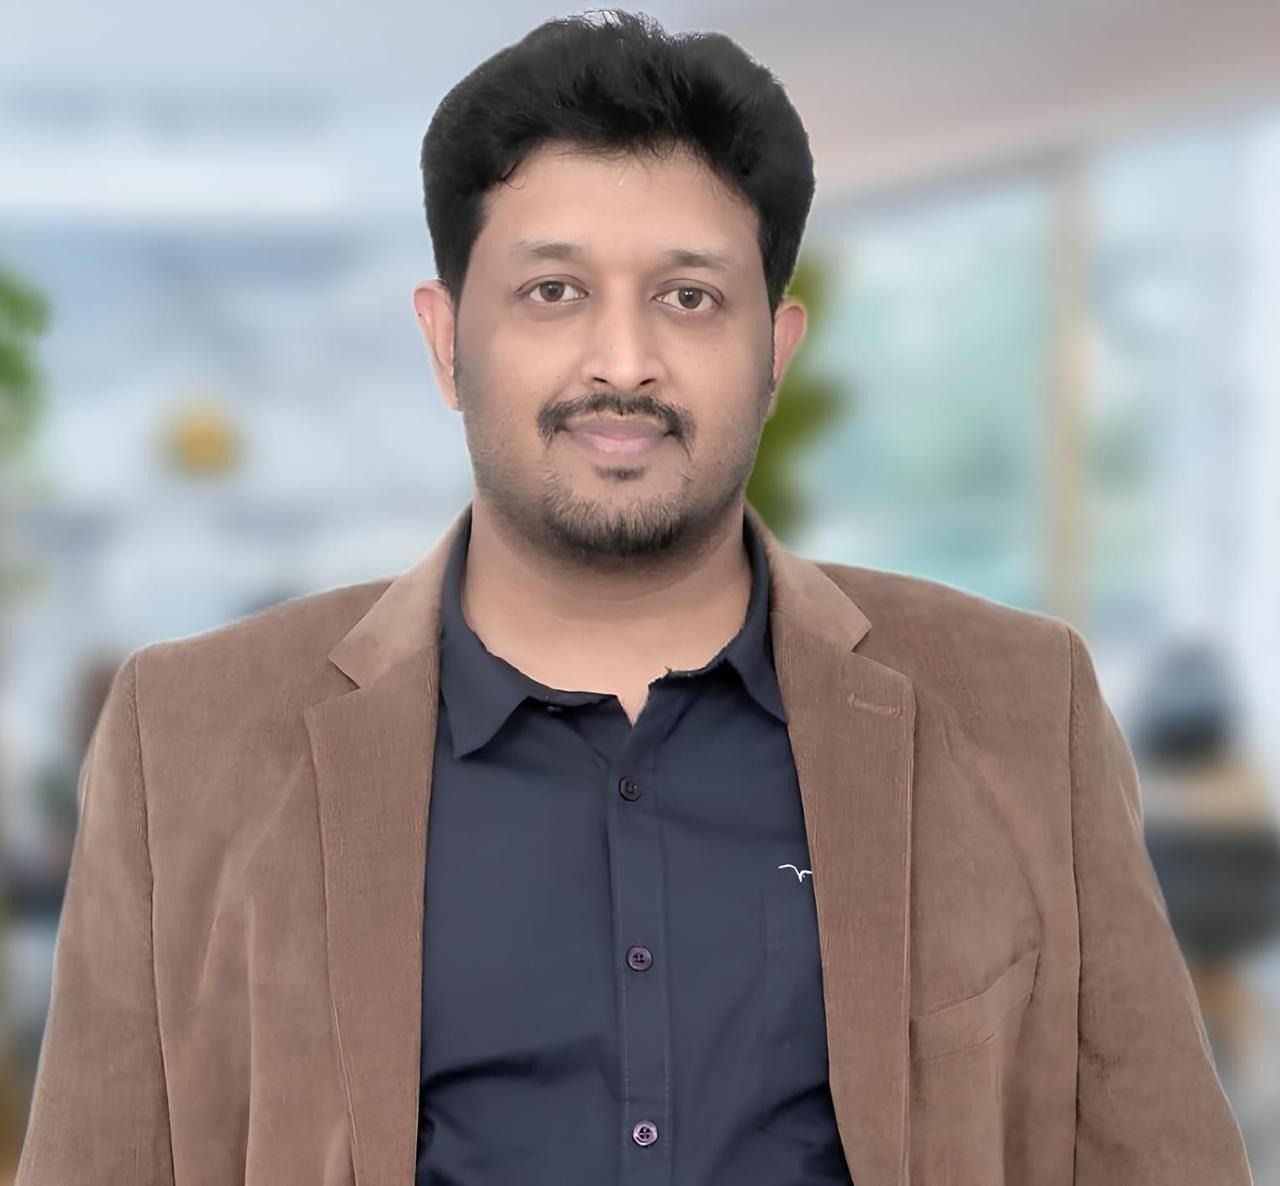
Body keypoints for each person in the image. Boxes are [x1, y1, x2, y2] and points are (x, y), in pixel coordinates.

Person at [16, 10, 1253, 1186]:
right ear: (447, 343)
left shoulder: (1015, 707)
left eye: (688, 295)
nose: (621, 361)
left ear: (774, 351)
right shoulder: (191, 739)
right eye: (552, 291)